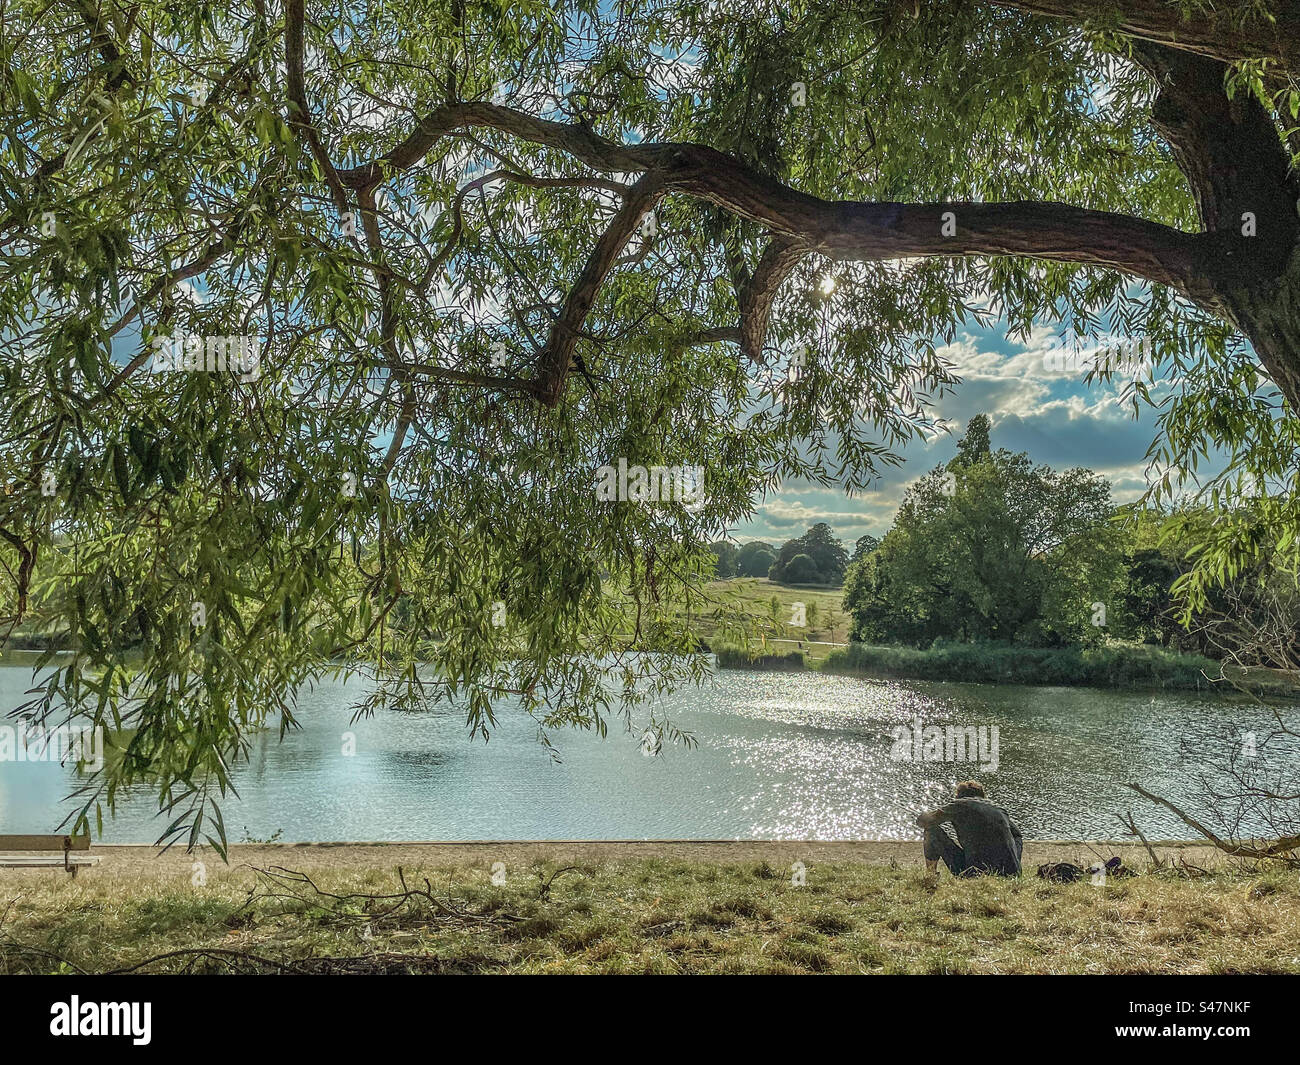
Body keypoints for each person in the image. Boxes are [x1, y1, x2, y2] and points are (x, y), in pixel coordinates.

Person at [916, 780, 1023, 877]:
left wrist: (925, 814)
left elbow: (924, 822)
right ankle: (1013, 867)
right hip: (1011, 873)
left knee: (932, 830)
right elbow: (1017, 836)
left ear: (958, 796)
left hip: (974, 872)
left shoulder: (959, 805)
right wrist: (1014, 862)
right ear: (982, 796)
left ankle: (931, 875)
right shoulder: (998, 810)